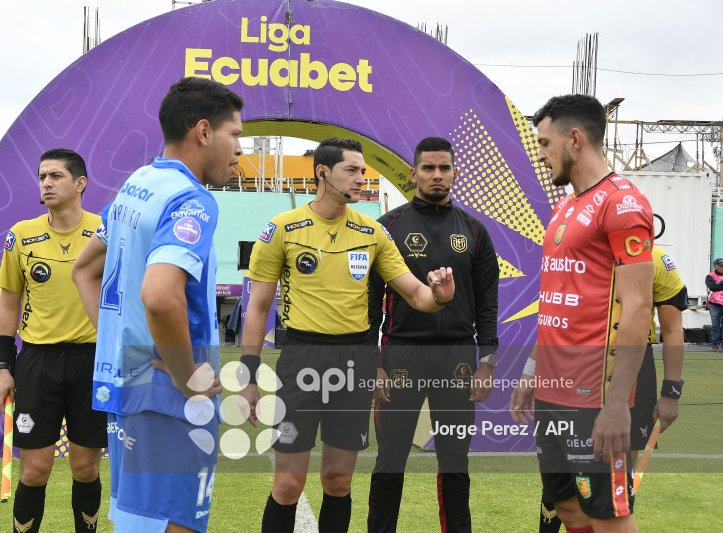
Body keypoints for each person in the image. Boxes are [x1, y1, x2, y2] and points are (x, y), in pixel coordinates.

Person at [238, 137, 456, 533]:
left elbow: (415, 293)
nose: (362, 179)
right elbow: (256, 307)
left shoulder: (372, 232)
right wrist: (249, 375)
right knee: (288, 484)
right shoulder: (282, 229)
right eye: (352, 170)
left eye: (363, 171)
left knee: (338, 482)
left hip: (355, 363)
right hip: (301, 360)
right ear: (323, 173)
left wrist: (439, 297)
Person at [72, 76, 240, 533]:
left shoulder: (137, 184)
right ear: (204, 132)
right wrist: (188, 379)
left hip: (127, 383)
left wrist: (129, 346)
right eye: (235, 134)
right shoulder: (191, 199)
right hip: (169, 396)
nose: (239, 148)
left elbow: (84, 271)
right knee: (173, 523)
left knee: (138, 520)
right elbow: (160, 297)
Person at [509, 94, 654, 533]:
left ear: (575, 139)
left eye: (545, 143)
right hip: (555, 390)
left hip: (594, 398)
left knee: (608, 516)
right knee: (567, 508)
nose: (540, 153)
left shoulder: (622, 203)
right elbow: (555, 301)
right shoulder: (566, 207)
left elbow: (638, 306)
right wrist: (534, 369)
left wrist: (616, 404)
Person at [366, 136, 499, 533]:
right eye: (428, 168)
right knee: (390, 461)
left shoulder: (475, 232)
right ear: (413, 173)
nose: (437, 175)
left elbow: (488, 305)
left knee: (455, 462)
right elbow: (369, 306)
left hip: (458, 358)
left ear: (455, 173)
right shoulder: (387, 227)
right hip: (400, 356)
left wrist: (487, 362)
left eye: (444, 168)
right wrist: (374, 365)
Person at [0, 148, 106, 533]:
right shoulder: (21, 236)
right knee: (36, 470)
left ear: (80, 184)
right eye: (42, 176)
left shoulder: (106, 232)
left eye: (55, 176)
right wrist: (3, 366)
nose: (46, 183)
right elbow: (8, 304)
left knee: (85, 467)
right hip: (37, 364)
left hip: (92, 362)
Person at [537, 244, 686, 532]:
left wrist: (671, 392)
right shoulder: (576, 252)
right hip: (575, 368)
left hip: (633, 371)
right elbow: (554, 317)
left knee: (617, 486)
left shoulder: (654, 258)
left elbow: (672, 330)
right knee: (564, 479)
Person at [705, 258, 723, 350]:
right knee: (715, 325)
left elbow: (717, 286)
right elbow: (712, 287)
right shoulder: (710, 276)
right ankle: (715, 343)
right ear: (715, 266)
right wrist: (718, 285)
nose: (722, 268)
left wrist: (720, 283)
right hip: (714, 304)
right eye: (721, 266)